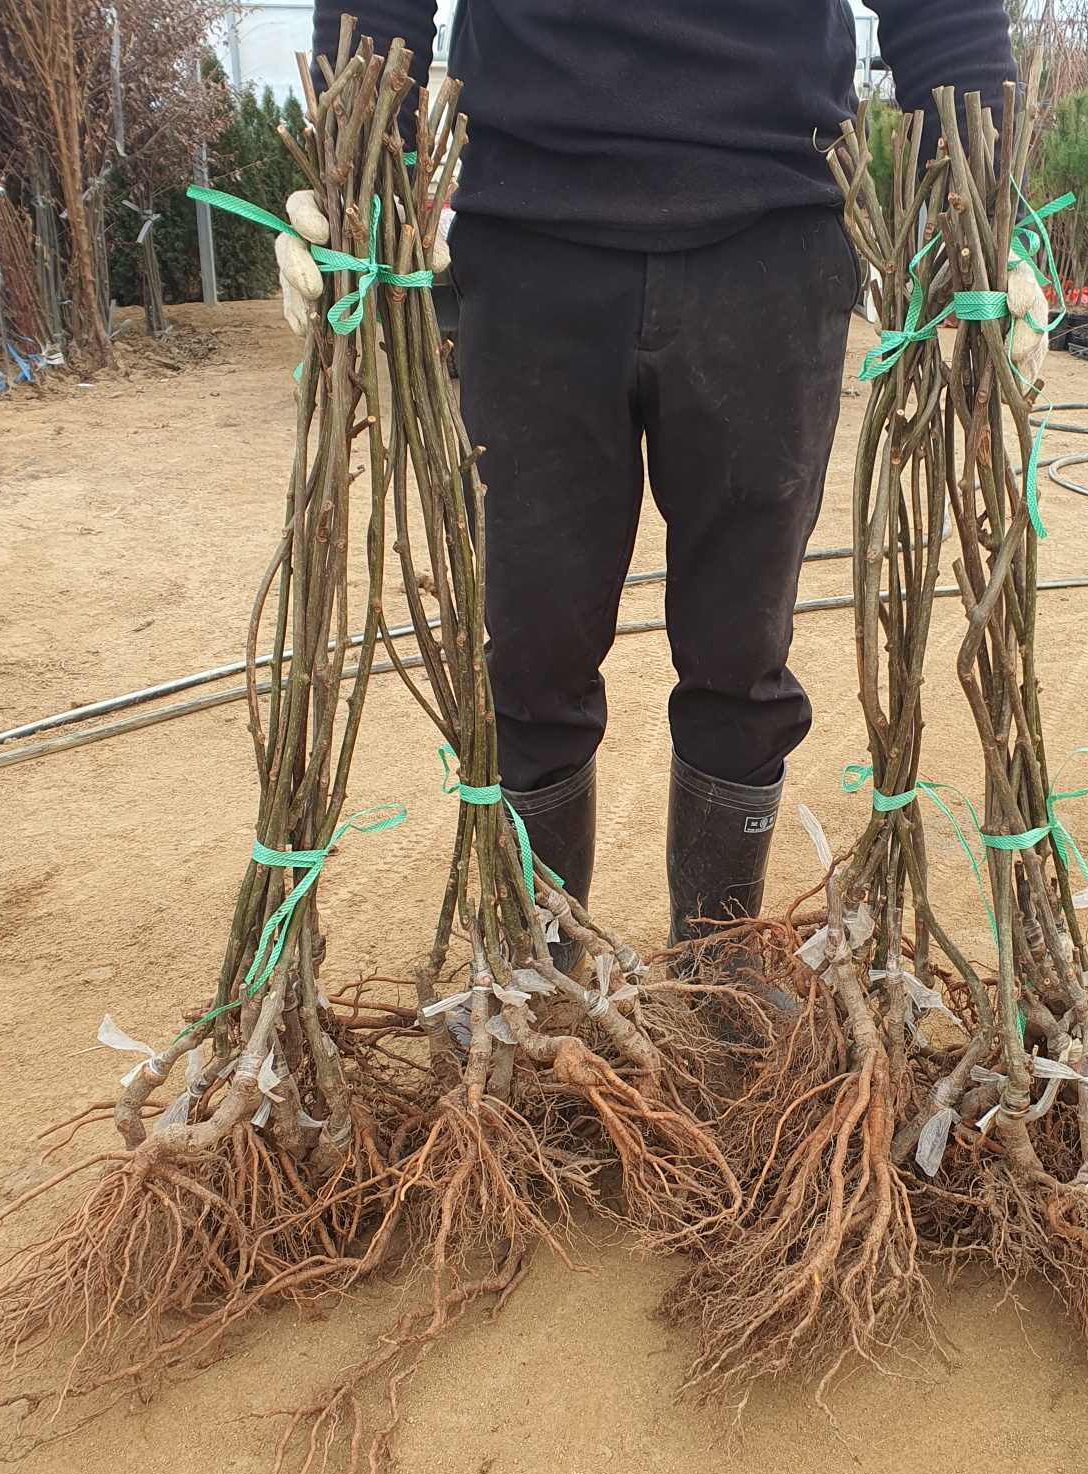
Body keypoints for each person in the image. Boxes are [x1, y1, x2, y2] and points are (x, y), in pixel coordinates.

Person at [306, 0, 1016, 956]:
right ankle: (539, 966)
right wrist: (360, 175)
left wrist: (986, 206)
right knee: (531, 648)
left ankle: (718, 961)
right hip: (528, 232)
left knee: (741, 647)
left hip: (773, 231)